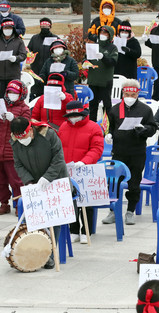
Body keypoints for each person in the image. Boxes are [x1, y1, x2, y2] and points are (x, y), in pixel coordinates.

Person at [11, 117, 69, 269]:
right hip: (34, 183)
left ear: (30, 130)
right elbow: (18, 164)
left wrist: (47, 178)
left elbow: (59, 159)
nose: (22, 140)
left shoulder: (47, 134)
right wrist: (29, 181)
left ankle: (49, 253)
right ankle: (35, 250)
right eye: (19, 138)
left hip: (55, 179)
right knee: (35, 218)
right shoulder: (14, 140)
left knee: (53, 218)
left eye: (24, 136)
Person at [104, 79, 158, 225]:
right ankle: (113, 211)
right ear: (123, 93)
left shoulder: (145, 110)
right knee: (114, 182)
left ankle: (130, 211)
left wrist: (144, 130)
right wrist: (108, 134)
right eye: (127, 94)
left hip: (137, 152)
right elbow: (109, 126)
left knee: (134, 182)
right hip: (119, 152)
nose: (129, 97)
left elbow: (153, 128)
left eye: (133, 95)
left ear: (137, 94)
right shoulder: (115, 109)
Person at [58, 101, 104, 243]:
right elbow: (58, 147)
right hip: (67, 169)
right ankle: (73, 230)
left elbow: (97, 148)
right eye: (71, 116)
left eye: (76, 115)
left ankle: (86, 230)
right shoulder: (64, 127)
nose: (73, 118)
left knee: (86, 202)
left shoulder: (94, 127)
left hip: (86, 169)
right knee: (70, 201)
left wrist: (84, 161)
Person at [0, 80, 30, 215]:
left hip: (13, 151)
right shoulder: (0, 106)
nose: (12, 95)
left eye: (15, 93)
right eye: (10, 92)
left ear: (21, 94)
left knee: (16, 181)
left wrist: (15, 119)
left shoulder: (25, 109)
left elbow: (26, 127)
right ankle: (4, 203)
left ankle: (18, 205)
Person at [85, 26, 118, 122]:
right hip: (93, 80)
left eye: (105, 33)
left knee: (107, 105)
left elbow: (113, 62)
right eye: (101, 33)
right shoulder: (94, 45)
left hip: (105, 81)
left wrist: (103, 57)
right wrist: (85, 63)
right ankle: (92, 123)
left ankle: (107, 124)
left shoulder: (112, 48)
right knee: (93, 105)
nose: (102, 35)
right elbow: (87, 57)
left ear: (110, 35)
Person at [0, 18, 27, 96]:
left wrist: (16, 58)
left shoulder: (18, 41)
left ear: (13, 29)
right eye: (5, 28)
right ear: (2, 29)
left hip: (13, 75)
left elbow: (23, 55)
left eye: (9, 28)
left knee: (12, 96)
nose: (7, 30)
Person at [27, 18, 58, 100]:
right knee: (36, 95)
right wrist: (29, 54)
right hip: (36, 71)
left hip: (50, 72)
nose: (44, 28)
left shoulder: (55, 38)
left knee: (49, 96)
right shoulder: (34, 38)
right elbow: (28, 50)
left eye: (46, 26)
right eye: (42, 26)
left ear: (50, 27)